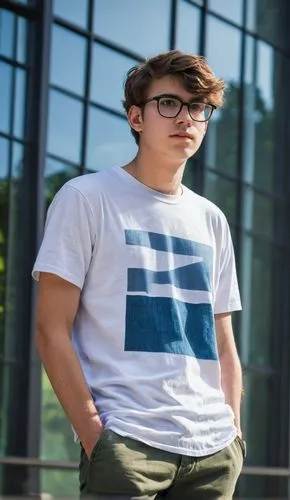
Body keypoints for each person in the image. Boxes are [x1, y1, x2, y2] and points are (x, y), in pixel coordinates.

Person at [33, 50, 245, 499]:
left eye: (198, 108)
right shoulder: (86, 198)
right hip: (128, 447)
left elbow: (223, 342)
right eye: (168, 103)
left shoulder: (211, 219)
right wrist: (97, 438)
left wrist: (234, 435)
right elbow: (51, 330)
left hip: (212, 453)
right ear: (136, 117)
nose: (185, 118)